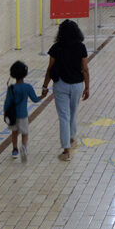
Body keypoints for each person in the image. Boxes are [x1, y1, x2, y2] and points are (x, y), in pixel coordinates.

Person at [41, 20, 90, 162]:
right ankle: (72, 138)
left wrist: (45, 86)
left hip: (60, 84)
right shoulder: (81, 47)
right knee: (73, 112)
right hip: (77, 85)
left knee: (64, 116)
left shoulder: (56, 48)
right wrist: (87, 87)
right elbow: (85, 69)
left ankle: (66, 150)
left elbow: (50, 69)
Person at [3, 60, 42, 163]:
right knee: (25, 133)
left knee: (14, 133)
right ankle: (24, 147)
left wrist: (5, 113)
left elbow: (7, 103)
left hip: (13, 116)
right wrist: (43, 96)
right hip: (23, 115)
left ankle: (15, 149)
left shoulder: (11, 88)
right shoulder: (27, 87)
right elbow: (35, 99)